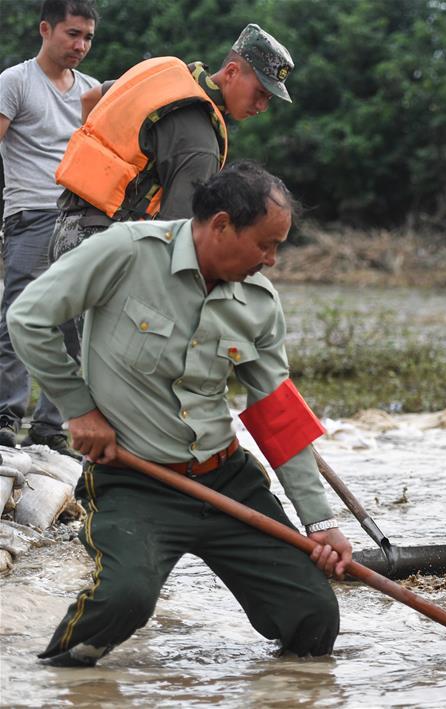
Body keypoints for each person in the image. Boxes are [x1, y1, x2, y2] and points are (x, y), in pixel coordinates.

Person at [8, 162, 352, 667]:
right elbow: (28, 317)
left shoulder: (259, 302)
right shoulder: (126, 251)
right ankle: (63, 679)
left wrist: (319, 522)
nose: (272, 260)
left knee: (314, 620)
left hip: (226, 483)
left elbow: (278, 416)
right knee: (123, 601)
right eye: (265, 245)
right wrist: (79, 410)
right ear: (221, 225)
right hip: (136, 481)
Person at [49, 22, 294, 262]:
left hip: (64, 229)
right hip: (107, 246)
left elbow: (89, 98)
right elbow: (176, 235)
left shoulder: (161, 75)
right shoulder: (202, 144)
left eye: (269, 99)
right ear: (231, 72)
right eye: (260, 93)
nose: (262, 106)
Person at [0, 0, 99, 456]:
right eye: (72, 34)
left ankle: (50, 424)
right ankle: (7, 414)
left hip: (80, 216)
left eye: (88, 37)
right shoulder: (15, 82)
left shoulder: (92, 91)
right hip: (31, 212)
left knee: (74, 324)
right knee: (19, 314)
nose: (80, 45)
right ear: (46, 29)